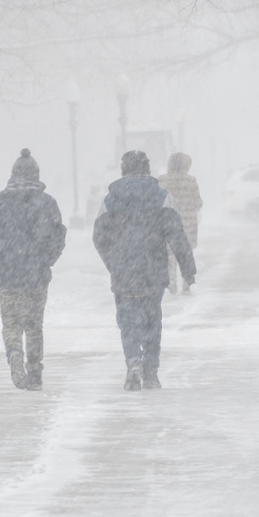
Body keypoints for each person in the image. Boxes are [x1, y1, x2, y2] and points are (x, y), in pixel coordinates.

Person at [93, 150, 196, 391]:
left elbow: (98, 236)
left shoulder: (110, 199)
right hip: (153, 269)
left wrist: (113, 261)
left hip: (124, 271)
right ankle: (151, 371)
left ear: (123, 170)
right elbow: (176, 234)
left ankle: (132, 361)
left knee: (127, 321)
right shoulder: (161, 196)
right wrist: (187, 268)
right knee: (152, 321)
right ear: (148, 170)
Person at [0, 149, 67, 391]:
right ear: (36, 174)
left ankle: (14, 351)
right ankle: (35, 371)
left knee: (11, 323)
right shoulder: (47, 203)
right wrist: (47, 260)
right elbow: (59, 236)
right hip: (37, 274)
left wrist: (0, 259)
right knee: (34, 323)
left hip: (8, 274)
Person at [157, 151, 203, 294]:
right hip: (187, 224)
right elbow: (198, 203)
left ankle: (171, 282)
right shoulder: (190, 181)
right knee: (185, 253)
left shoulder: (161, 180)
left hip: (167, 222)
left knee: (169, 254)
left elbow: (157, 202)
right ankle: (187, 283)